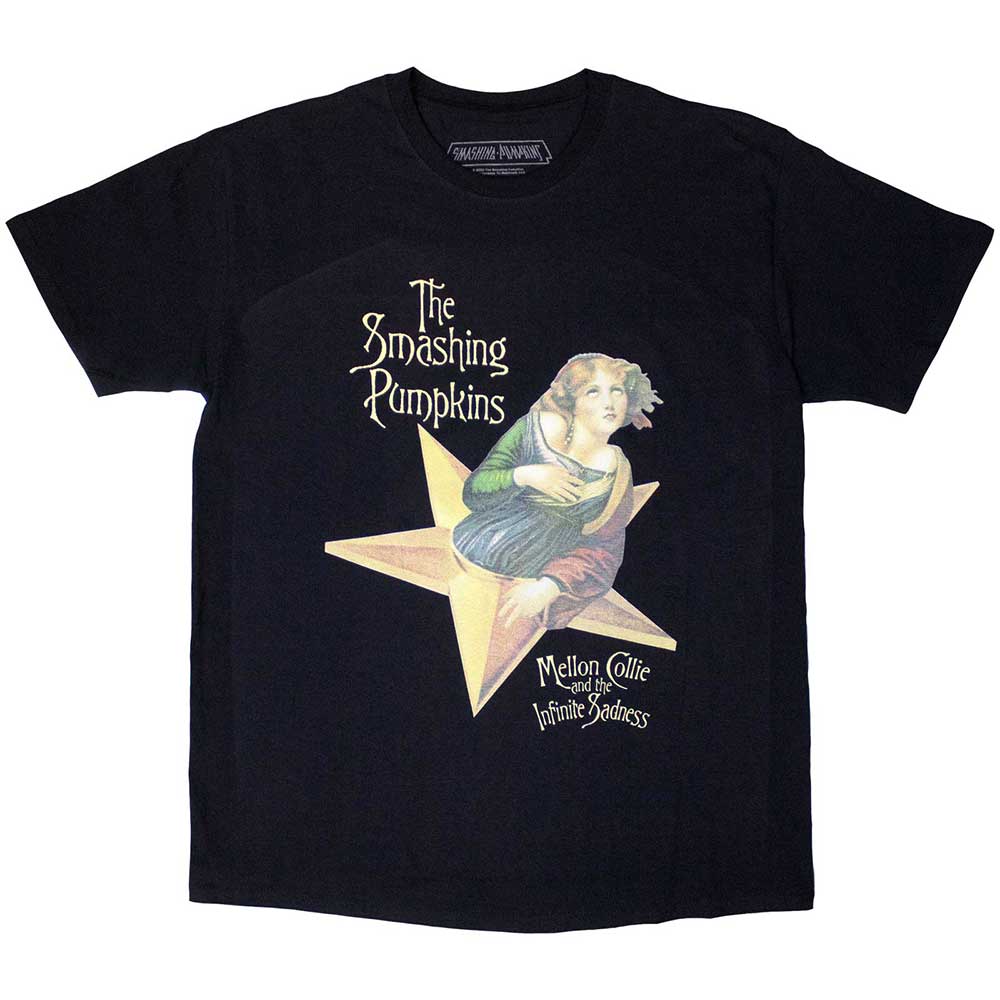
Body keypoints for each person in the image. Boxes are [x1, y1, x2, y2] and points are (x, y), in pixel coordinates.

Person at [451, 352, 662, 630]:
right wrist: (524, 475)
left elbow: (605, 550)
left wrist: (549, 586)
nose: (609, 403)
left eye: (617, 391)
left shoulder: (618, 471)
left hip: (528, 587)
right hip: (467, 556)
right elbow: (474, 491)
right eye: (593, 391)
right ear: (572, 401)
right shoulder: (534, 428)